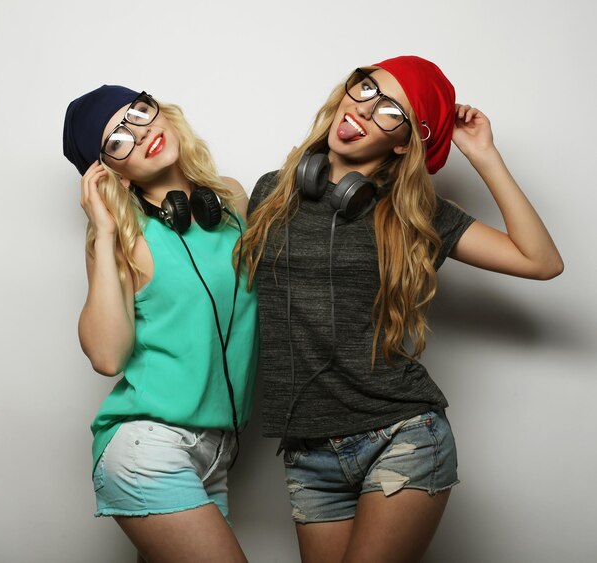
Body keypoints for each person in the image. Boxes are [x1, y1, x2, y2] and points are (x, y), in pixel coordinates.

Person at [242, 56, 563, 562]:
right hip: (307, 450)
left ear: (403, 141)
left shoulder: (415, 214)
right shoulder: (272, 193)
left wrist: (485, 156)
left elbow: (540, 261)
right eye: (366, 88)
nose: (365, 107)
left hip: (400, 437)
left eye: (391, 109)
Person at [63, 85, 258, 563]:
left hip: (218, 453)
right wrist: (105, 231)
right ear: (109, 170)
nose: (140, 130)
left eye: (138, 111)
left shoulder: (229, 200)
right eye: (117, 140)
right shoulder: (124, 240)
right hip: (148, 447)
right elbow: (107, 357)